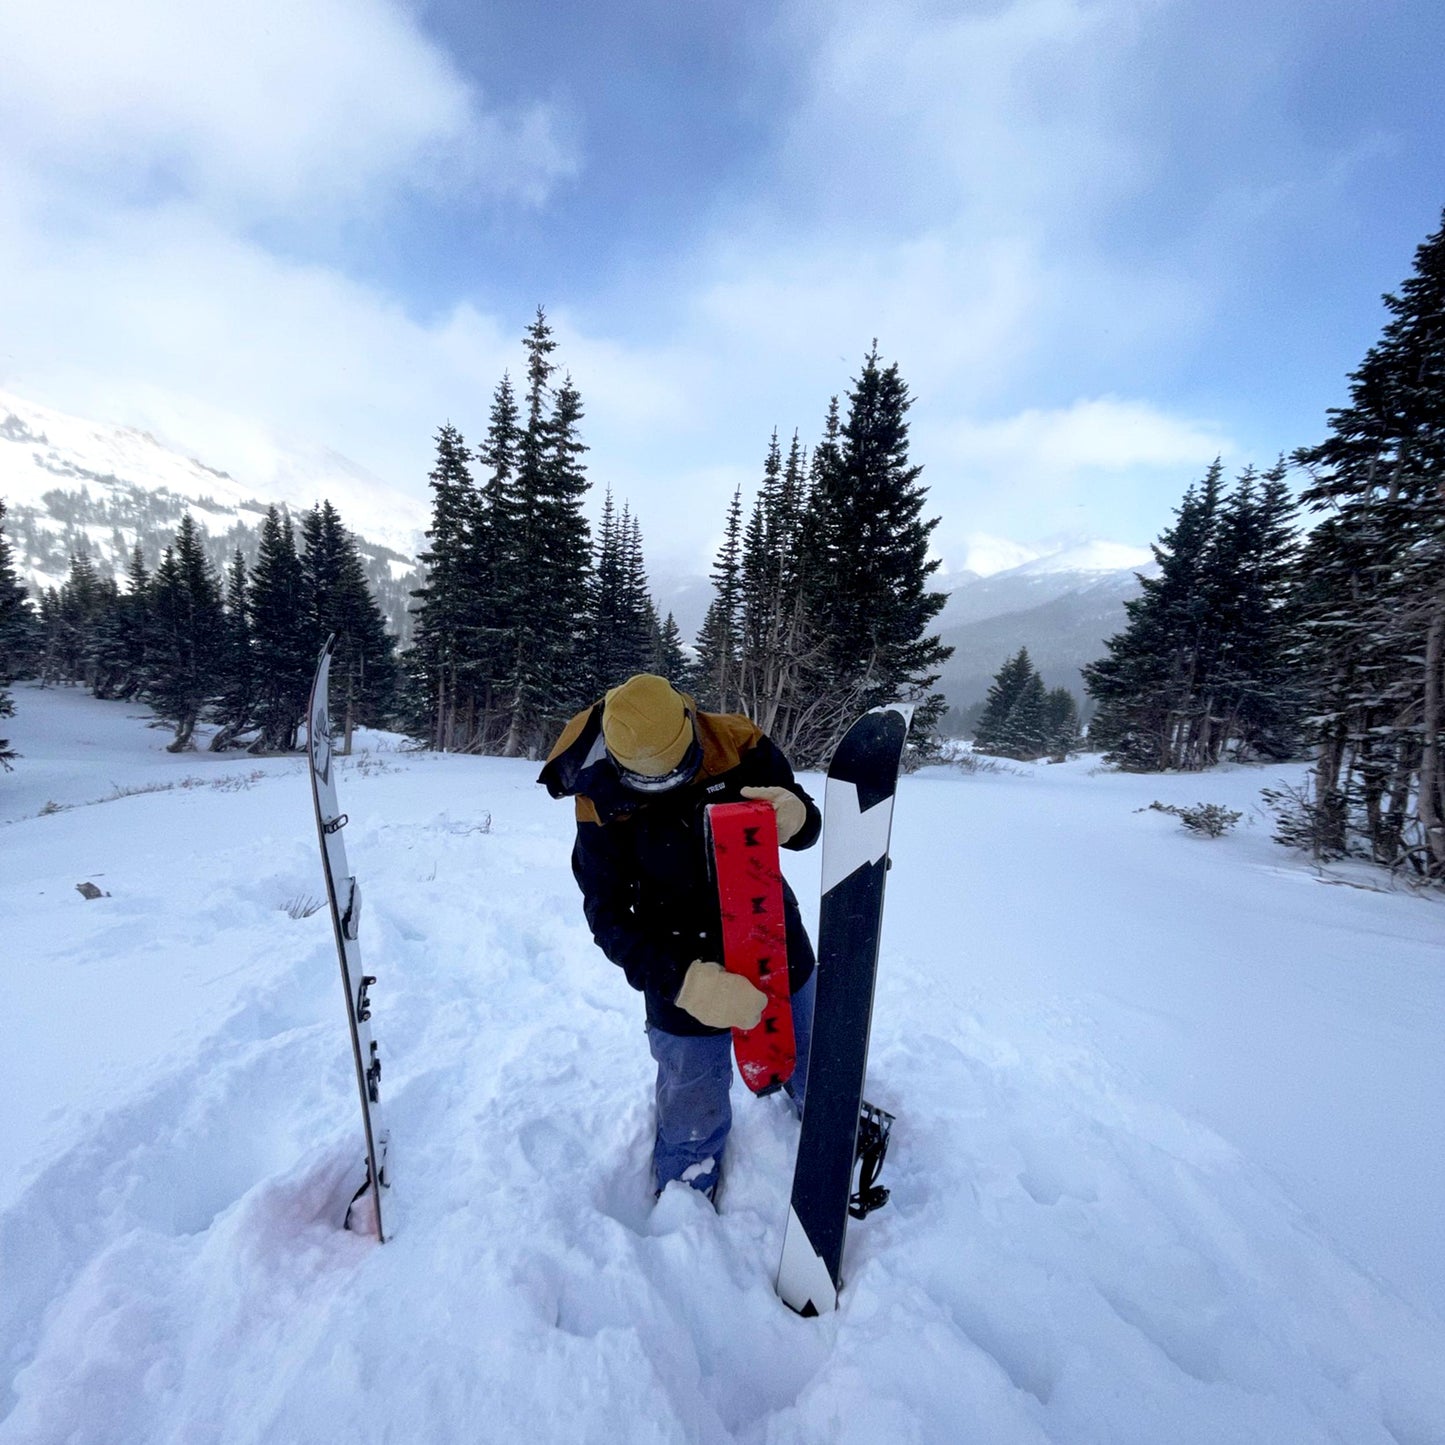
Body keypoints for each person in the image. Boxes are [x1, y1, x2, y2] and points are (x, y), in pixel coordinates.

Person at [538, 672, 821, 1201]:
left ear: (690, 724)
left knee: (811, 1050)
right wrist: (685, 983)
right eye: (650, 783)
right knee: (693, 1096)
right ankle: (688, 1188)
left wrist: (800, 817)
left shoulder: (738, 742)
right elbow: (607, 913)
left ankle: (828, 1117)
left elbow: (805, 821)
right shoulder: (597, 797)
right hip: (675, 955)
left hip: (770, 931)